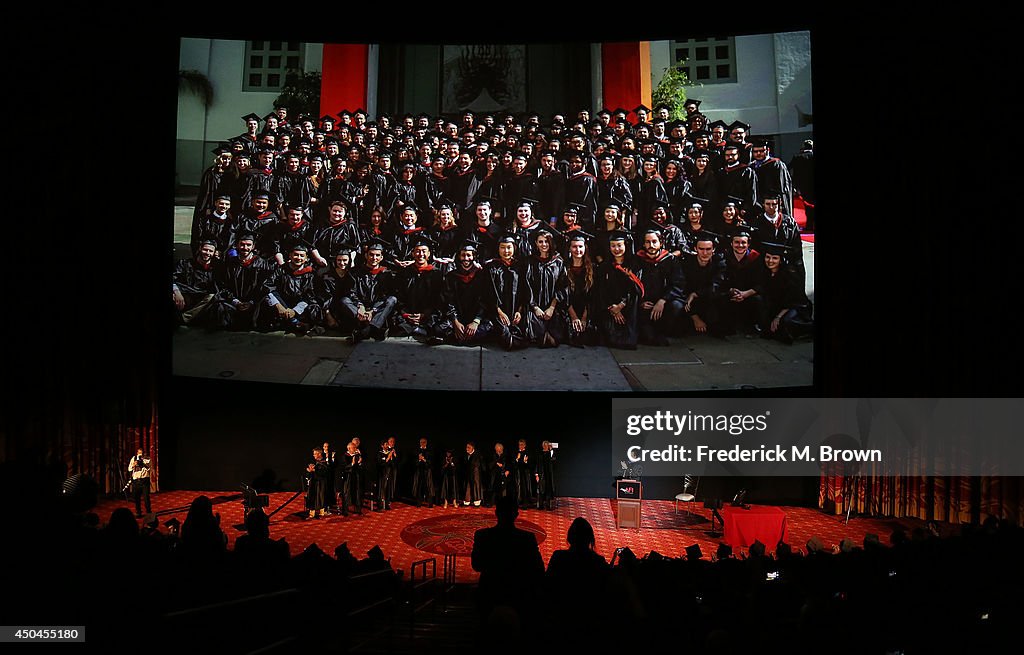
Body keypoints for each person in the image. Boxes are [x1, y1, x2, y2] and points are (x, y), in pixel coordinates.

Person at [470, 496, 544, 628]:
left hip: (489, 594)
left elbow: (476, 565)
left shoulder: (482, 535)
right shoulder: (527, 539)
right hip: (519, 596)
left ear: (496, 513)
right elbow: (538, 570)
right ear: (516, 514)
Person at [254, 244, 323, 335]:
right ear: (290, 256)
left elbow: (310, 296)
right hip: (282, 306)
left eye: (302, 256)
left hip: (300, 309)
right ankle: (295, 323)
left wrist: (295, 311)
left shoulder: (311, 274)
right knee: (266, 300)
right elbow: (267, 287)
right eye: (295, 255)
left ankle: (294, 322)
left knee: (314, 307)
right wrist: (279, 306)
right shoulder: (280, 270)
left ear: (306, 258)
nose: (298, 258)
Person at [756, 242, 814, 344]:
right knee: (768, 329)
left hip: (796, 306)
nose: (770, 261)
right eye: (768, 257)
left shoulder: (789, 275)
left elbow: (792, 299)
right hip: (778, 306)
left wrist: (778, 317)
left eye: (775, 258)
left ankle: (809, 328)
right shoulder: (765, 272)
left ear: (780, 260)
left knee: (786, 322)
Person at [635, 229, 685, 346]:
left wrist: (663, 300)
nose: (651, 245)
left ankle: (666, 331)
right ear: (643, 244)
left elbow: (678, 283)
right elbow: (632, 284)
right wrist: (640, 301)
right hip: (644, 305)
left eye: (654, 241)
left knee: (676, 306)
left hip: (664, 303)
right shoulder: (637, 260)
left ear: (661, 243)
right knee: (649, 337)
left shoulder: (670, 259)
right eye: (647, 242)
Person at [343, 239, 398, 343]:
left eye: (377, 255)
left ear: (381, 257)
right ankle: (373, 327)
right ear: (366, 256)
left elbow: (385, 295)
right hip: (360, 307)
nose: (374, 258)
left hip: (377, 308)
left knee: (392, 300)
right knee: (345, 300)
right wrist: (360, 306)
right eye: (371, 255)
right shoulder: (355, 273)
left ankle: (367, 330)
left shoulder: (387, 274)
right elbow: (351, 292)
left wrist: (373, 311)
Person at [436, 242, 491, 345]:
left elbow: (485, 300)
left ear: (474, 256)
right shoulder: (451, 276)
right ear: (459, 257)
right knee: (438, 328)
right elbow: (448, 300)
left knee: (489, 329)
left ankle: (452, 339)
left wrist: (476, 321)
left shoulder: (481, 276)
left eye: (469, 255)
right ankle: (466, 338)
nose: (466, 258)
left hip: (475, 318)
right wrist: (455, 321)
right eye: (463, 255)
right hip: (458, 318)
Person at [596, 231, 644, 349]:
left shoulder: (634, 265)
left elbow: (636, 289)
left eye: (619, 245)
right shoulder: (605, 266)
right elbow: (601, 290)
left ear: (625, 246)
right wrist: (612, 308)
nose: (616, 249)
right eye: (613, 246)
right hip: (610, 307)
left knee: (628, 339)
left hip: (629, 306)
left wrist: (621, 305)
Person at [484, 235, 531, 350]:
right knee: (506, 338)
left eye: (509, 247)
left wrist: (519, 311)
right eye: (502, 248)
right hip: (497, 310)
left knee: (523, 333)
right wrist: (499, 312)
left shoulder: (520, 266)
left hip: (517, 310)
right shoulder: (491, 267)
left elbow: (524, 291)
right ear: (498, 249)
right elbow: (489, 292)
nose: (506, 251)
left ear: (514, 248)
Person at [525, 227, 569, 347]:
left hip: (553, 307)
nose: (544, 244)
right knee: (537, 337)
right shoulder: (530, 262)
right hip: (534, 307)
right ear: (536, 243)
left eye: (546, 241)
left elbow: (562, 286)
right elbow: (527, 285)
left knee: (556, 337)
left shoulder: (558, 262)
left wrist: (552, 307)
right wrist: (535, 307)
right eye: (540, 241)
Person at [679, 233, 727, 336]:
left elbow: (717, 284)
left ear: (713, 249)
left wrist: (696, 293)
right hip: (689, 301)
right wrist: (694, 316)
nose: (705, 253)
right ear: (695, 249)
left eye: (708, 249)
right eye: (701, 249)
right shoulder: (686, 264)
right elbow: (682, 286)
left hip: (709, 297)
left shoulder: (719, 262)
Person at [173, 241, 221, 327]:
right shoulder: (185, 264)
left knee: (213, 297)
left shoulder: (215, 269)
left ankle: (184, 318)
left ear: (214, 253)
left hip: (201, 300)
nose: (207, 253)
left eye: (210, 251)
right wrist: (177, 292)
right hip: (183, 296)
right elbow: (174, 278)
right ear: (200, 249)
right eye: (205, 250)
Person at [339, 441, 363, 515]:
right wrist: (352, 464)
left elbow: (361, 468)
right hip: (347, 478)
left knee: (357, 492)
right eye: (354, 448)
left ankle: (358, 510)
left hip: (356, 477)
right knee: (346, 493)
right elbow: (344, 468)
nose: (355, 449)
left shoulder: (357, 455)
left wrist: (359, 463)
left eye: (355, 447)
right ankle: (345, 511)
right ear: (349, 448)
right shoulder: (344, 456)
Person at [305, 448, 329, 519]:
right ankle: (311, 514)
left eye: (315, 454)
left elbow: (324, 473)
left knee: (320, 498)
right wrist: (309, 471)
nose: (313, 455)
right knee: (312, 497)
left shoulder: (324, 462)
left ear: (319, 454)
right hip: (313, 483)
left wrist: (314, 470)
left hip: (321, 483)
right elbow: (309, 472)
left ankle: (322, 513)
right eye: (314, 454)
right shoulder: (313, 462)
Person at [128, 448, 152, 517]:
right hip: (136, 481)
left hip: (144, 480)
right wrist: (134, 465)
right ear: (137, 453)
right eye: (139, 453)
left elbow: (150, 468)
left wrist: (143, 463)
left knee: (146, 497)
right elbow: (129, 468)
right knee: (137, 498)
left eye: (142, 453)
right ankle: (138, 512)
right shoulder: (133, 458)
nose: (140, 455)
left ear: (144, 453)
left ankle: (148, 512)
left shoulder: (148, 459)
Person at [411, 437, 435, 507]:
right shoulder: (416, 451)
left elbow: (431, 462)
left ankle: (430, 503)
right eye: (421, 442)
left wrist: (424, 459)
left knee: (429, 487)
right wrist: (419, 459)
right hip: (419, 472)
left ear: (426, 443)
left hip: (427, 471)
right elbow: (414, 462)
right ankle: (418, 503)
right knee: (419, 487)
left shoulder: (429, 451)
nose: (422, 443)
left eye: (424, 442)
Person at [377, 437, 398, 511]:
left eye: (387, 444)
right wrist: (388, 458)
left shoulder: (390, 452)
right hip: (382, 474)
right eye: (385, 444)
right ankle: (380, 505)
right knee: (382, 489)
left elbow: (392, 464)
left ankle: (387, 504)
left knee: (388, 489)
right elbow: (381, 464)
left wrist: (393, 456)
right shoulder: (380, 453)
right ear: (382, 446)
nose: (387, 445)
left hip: (389, 474)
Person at [535, 441, 556, 510]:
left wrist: (551, 450)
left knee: (548, 490)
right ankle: (540, 505)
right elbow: (537, 464)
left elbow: (553, 459)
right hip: (541, 474)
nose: (545, 447)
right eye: (544, 445)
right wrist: (536, 474)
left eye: (546, 445)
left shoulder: (549, 454)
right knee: (541, 490)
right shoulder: (539, 454)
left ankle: (548, 506)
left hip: (548, 475)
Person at [462, 441, 484, 507]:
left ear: (472, 448)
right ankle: (467, 501)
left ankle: (477, 502)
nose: (467, 449)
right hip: (468, 474)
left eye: (469, 447)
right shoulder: (466, 455)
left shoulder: (477, 455)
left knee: (476, 486)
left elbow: (477, 465)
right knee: (467, 486)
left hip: (475, 474)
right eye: (466, 447)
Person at [513, 439, 534, 508]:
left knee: (525, 487)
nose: (520, 446)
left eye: (522, 445)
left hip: (525, 473)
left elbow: (530, 464)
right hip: (518, 472)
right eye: (519, 445)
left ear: (525, 445)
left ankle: (526, 502)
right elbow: (513, 463)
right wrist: (517, 459)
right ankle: (518, 501)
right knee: (518, 487)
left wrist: (525, 461)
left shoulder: (527, 453)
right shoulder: (516, 452)